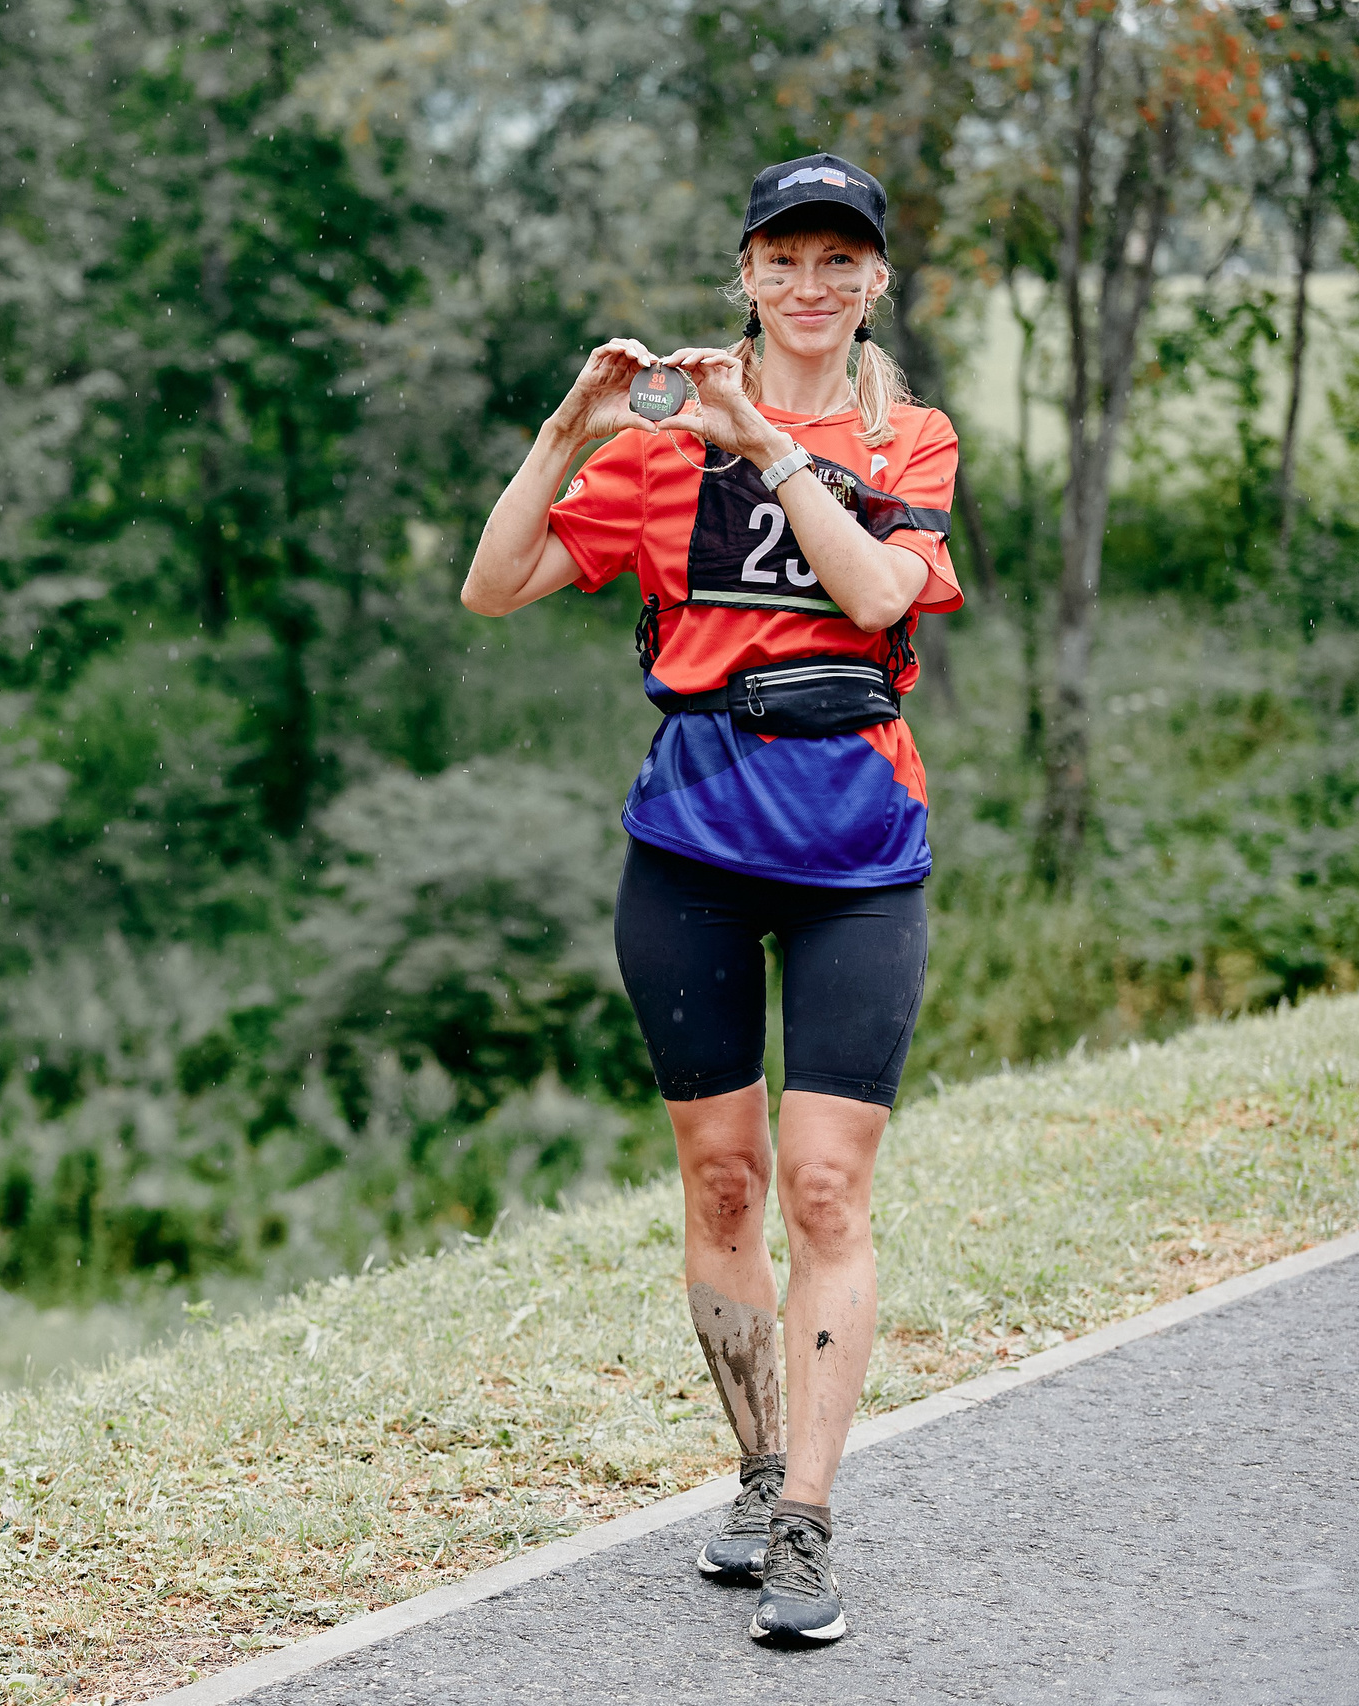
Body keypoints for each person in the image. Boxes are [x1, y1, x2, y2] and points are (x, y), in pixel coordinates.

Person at [457, 154, 960, 1645]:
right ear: (745, 274)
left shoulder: (907, 435)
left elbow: (877, 597)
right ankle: (753, 1472)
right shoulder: (661, 448)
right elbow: (494, 584)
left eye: (838, 261)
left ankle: (808, 1518)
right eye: (782, 260)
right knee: (728, 1179)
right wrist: (564, 434)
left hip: (860, 854)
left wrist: (772, 449)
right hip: (689, 846)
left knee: (826, 1186)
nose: (810, 286)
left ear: (875, 281)